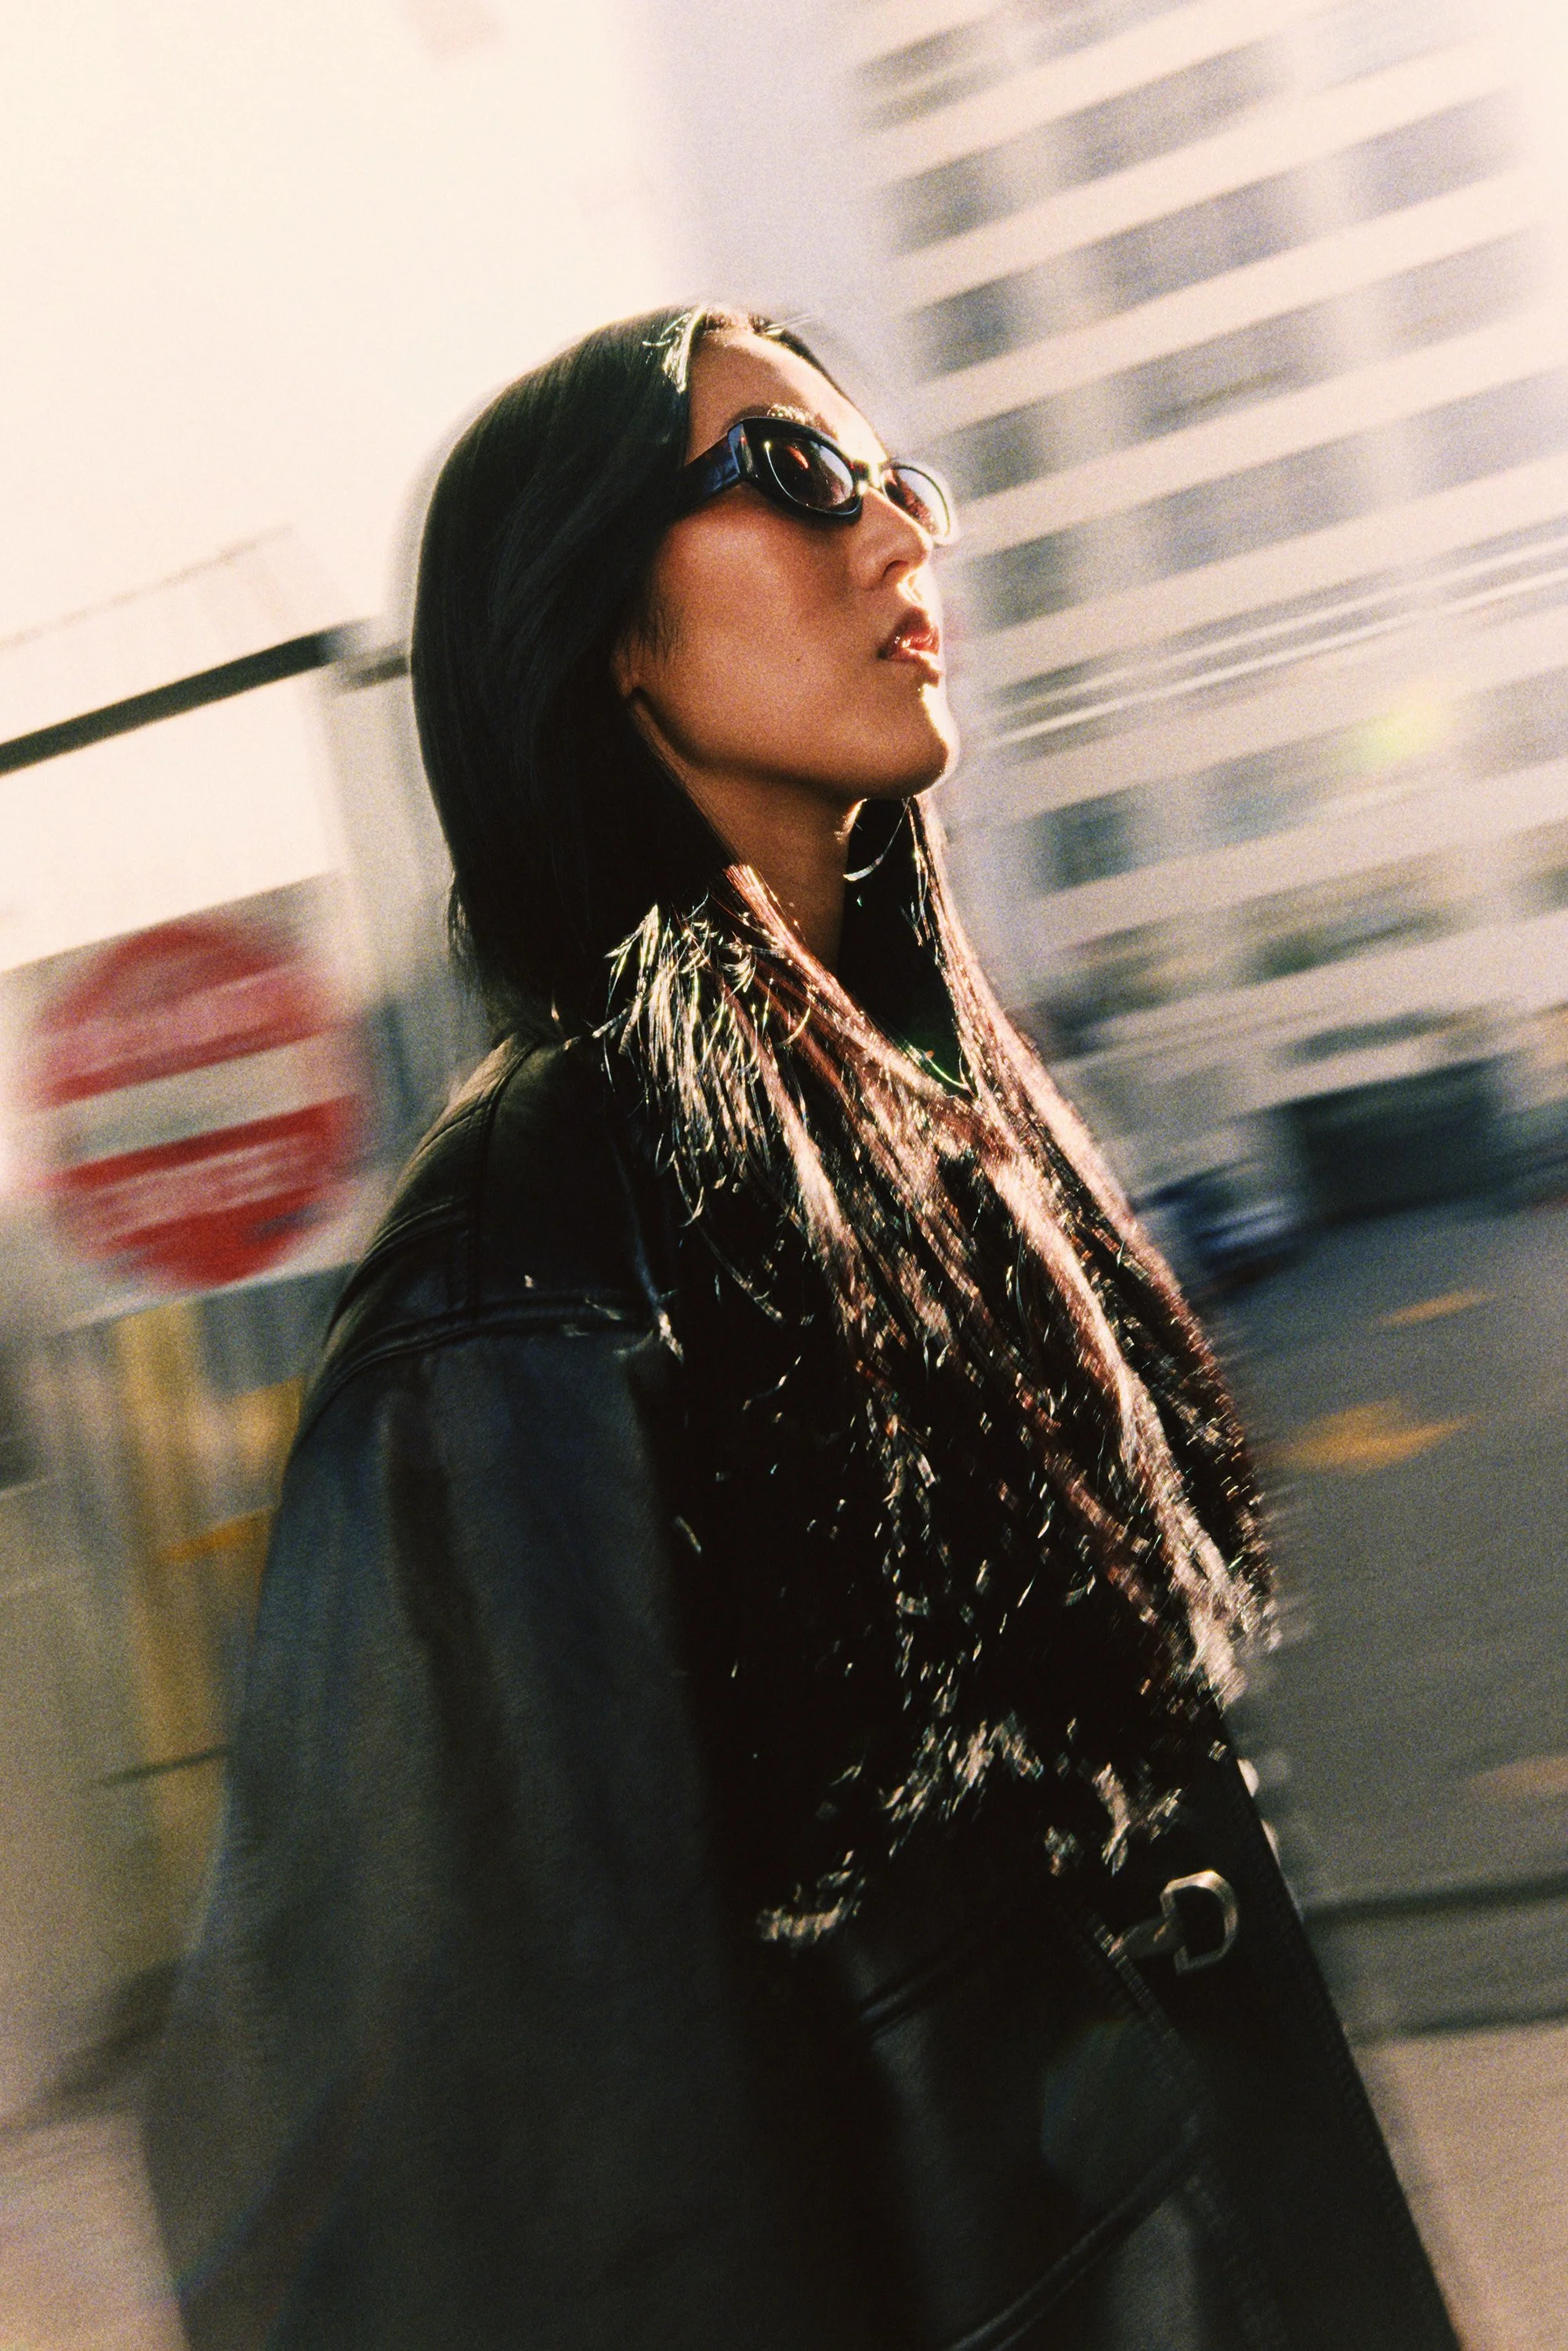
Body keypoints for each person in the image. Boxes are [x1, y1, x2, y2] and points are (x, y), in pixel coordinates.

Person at [145, 308, 1458, 2351]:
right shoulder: (527, 1294)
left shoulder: (953, 1148)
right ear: (606, 633)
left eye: (898, 479)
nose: (895, 538)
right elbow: (499, 2195)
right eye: (794, 479)